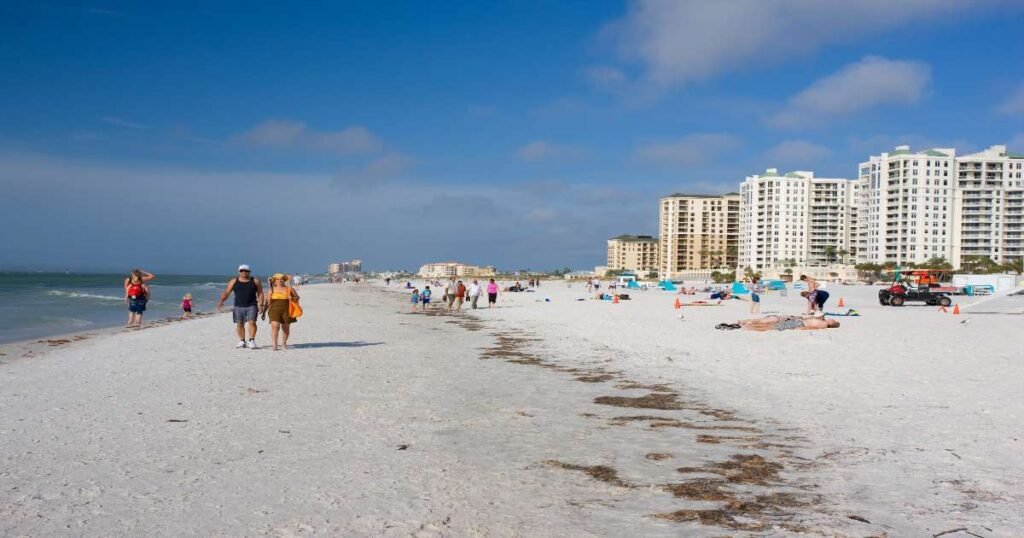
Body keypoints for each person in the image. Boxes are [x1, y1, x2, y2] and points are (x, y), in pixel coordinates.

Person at [216, 264, 265, 349]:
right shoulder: (234, 281)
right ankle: (242, 341)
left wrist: (261, 304)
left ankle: (251, 340)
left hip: (252, 305)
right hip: (238, 306)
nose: (244, 272)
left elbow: (260, 293)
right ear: (239, 272)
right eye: (242, 271)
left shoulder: (255, 281)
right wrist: (221, 301)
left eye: (246, 271)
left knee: (252, 322)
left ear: (249, 272)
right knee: (239, 324)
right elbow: (227, 292)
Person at [262, 273, 299, 351]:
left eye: (281, 279)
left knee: (285, 328)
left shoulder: (290, 289)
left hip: (287, 310)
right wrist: (264, 312)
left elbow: (297, 298)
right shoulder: (271, 290)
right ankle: (275, 345)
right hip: (274, 310)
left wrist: (292, 297)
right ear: (274, 281)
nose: (280, 280)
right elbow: (268, 302)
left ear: (284, 280)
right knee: (275, 326)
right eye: (278, 279)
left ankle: (284, 343)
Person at [717, 315, 840, 332]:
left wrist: (798, 328)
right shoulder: (822, 321)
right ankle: (739, 326)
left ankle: (742, 327)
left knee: (769, 327)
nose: (831, 319)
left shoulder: (823, 325)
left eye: (833, 320)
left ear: (831, 324)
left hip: (798, 324)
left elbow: (810, 327)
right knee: (769, 326)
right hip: (797, 322)